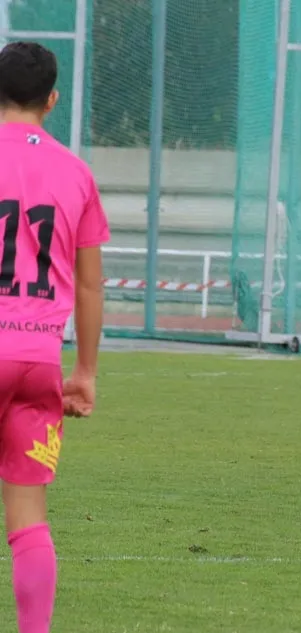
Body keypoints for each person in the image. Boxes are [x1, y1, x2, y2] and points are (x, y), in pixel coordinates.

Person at [0, 41, 110, 633]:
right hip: (39, 359)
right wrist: (85, 373)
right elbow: (91, 289)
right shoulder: (75, 172)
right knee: (27, 522)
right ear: (52, 99)